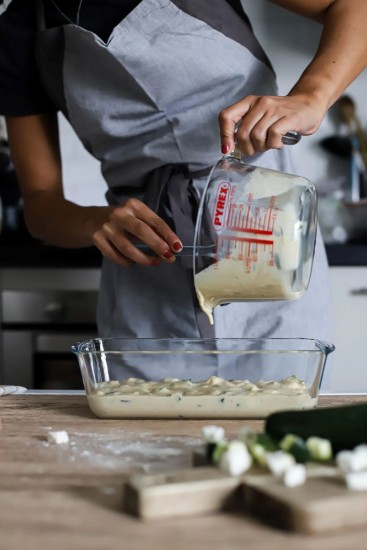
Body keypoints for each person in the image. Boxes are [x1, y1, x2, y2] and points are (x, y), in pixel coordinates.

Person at [0, 1, 366, 373]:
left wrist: (311, 96)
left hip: (268, 244)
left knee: (282, 421)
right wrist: (95, 222)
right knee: (145, 425)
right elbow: (41, 206)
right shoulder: (19, 34)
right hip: (147, 272)